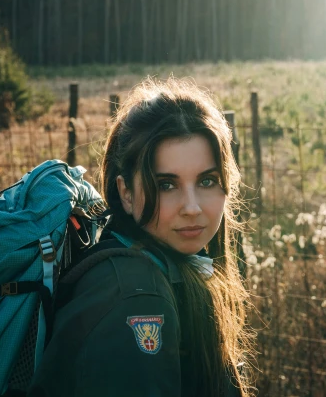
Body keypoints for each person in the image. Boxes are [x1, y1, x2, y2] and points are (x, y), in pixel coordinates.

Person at [28, 77, 254, 397]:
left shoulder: (159, 268)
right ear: (126, 193)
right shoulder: (138, 298)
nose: (192, 208)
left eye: (206, 181)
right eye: (166, 185)